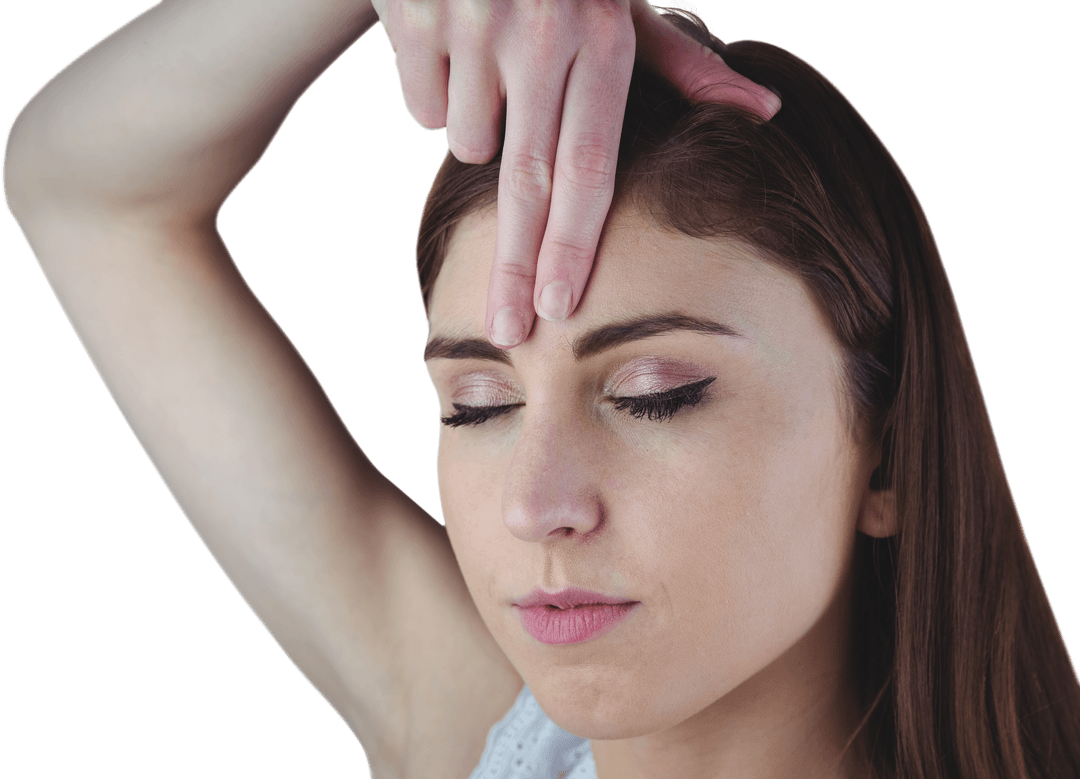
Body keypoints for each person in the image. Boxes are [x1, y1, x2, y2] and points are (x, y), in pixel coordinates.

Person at [3, 2, 1077, 779]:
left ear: (885, 448)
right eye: (478, 404)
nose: (536, 500)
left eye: (654, 393)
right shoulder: (483, 739)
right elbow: (82, 188)